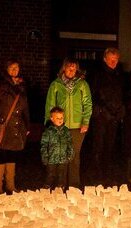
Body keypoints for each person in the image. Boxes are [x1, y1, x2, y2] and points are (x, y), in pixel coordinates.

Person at [45, 58, 92, 188]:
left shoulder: (82, 84)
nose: (71, 70)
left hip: (78, 126)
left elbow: (87, 104)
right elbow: (50, 105)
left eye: (74, 67)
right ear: (63, 68)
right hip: (61, 126)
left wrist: (85, 122)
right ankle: (61, 183)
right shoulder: (56, 84)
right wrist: (51, 123)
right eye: (69, 67)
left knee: (74, 155)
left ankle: (74, 184)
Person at [0, 59, 30, 195]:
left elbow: (25, 108)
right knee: (1, 154)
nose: (15, 70)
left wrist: (27, 125)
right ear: (6, 69)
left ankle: (10, 185)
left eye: (17, 67)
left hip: (16, 128)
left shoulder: (21, 86)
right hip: (2, 127)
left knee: (12, 154)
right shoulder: (0, 85)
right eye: (12, 67)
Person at [89, 48, 124, 186]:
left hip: (114, 117)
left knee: (109, 146)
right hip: (101, 117)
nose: (113, 62)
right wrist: (102, 110)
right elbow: (92, 95)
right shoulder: (97, 75)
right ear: (105, 59)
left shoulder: (119, 75)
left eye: (116, 59)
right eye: (111, 59)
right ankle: (96, 175)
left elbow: (121, 94)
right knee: (98, 146)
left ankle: (106, 174)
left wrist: (120, 109)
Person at [41, 107, 74, 190]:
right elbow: (44, 145)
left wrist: (70, 155)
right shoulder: (48, 131)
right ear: (52, 119)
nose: (60, 120)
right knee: (50, 176)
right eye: (57, 118)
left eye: (61, 118)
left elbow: (70, 143)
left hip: (63, 159)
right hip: (51, 160)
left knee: (61, 177)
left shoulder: (66, 131)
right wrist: (45, 157)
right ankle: (47, 191)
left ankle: (60, 192)